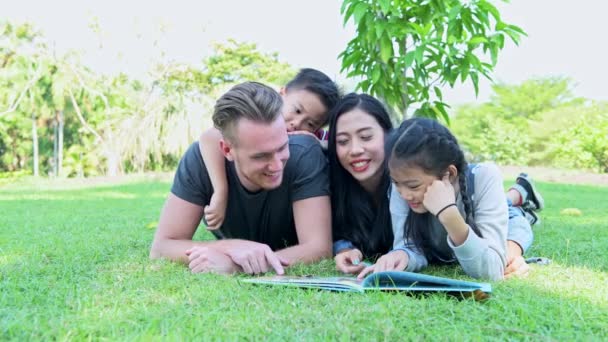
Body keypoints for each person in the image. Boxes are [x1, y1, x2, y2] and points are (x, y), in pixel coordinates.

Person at [329, 95, 541, 279]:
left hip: (484, 204)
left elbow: (492, 268)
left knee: (513, 213)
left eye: (366, 136)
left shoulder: (482, 176)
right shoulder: (401, 180)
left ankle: (520, 196)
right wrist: (401, 255)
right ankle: (520, 193)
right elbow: (409, 245)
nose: (402, 194)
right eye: (395, 184)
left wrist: (449, 214)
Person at [150, 82, 333, 275]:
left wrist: (237, 265)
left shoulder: (304, 153)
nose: (277, 165)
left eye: (282, 148)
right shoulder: (199, 161)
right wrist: (231, 247)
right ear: (227, 150)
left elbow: (319, 249)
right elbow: (162, 247)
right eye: (260, 156)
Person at [198, 68, 340, 230]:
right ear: (282, 93)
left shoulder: (313, 141)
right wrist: (221, 191)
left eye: (311, 124)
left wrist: (316, 143)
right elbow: (209, 137)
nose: (297, 123)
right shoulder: (257, 116)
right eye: (297, 110)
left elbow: (339, 147)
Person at [327, 93, 394, 275]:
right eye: (343, 141)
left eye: (366, 137)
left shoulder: (408, 184)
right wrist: (343, 249)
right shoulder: (332, 186)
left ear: (388, 135)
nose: (355, 150)